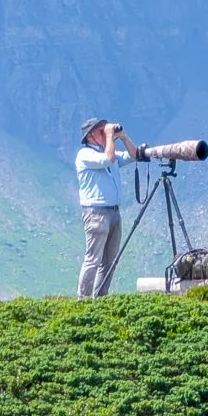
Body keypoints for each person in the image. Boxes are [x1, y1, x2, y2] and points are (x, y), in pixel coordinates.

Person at [75, 117, 138, 299]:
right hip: (96, 213)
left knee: (110, 261)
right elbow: (108, 160)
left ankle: (101, 297)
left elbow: (133, 155)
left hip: (113, 212)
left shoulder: (107, 152)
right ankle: (83, 299)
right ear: (90, 135)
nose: (104, 133)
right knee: (93, 259)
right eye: (100, 130)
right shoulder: (85, 154)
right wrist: (110, 135)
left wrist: (123, 137)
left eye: (104, 130)